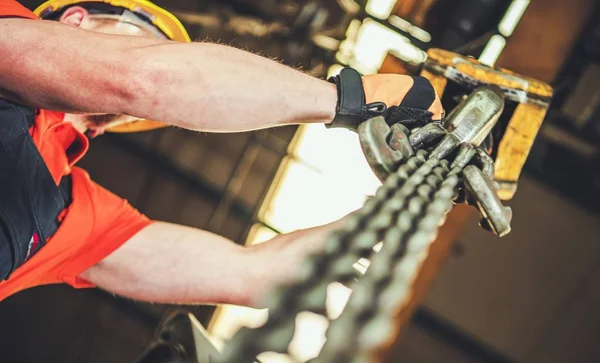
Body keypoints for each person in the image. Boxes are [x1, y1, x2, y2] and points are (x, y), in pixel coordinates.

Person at [0, 0, 444, 306]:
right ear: (75, 19)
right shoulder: (8, 24)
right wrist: (351, 98)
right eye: (142, 39)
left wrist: (395, 208)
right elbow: (141, 79)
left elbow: (252, 275)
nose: (154, 57)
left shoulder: (71, 216)